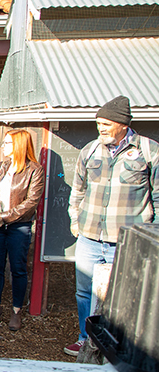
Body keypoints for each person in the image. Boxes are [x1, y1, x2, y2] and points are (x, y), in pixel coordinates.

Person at [65, 95, 159, 356]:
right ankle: (86, 338)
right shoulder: (90, 150)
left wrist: (154, 236)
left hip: (127, 241)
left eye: (106, 124)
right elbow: (78, 191)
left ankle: (116, 344)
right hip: (90, 237)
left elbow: (158, 197)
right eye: (98, 124)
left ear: (123, 124)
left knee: (124, 294)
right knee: (84, 291)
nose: (101, 128)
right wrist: (75, 219)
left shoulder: (149, 151)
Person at [0, 129, 45, 331]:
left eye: (7, 143)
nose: (4, 147)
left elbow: (31, 202)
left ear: (19, 145)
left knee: (18, 268)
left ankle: (17, 310)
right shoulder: (0, 167)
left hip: (19, 226)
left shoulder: (34, 170)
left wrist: (5, 217)